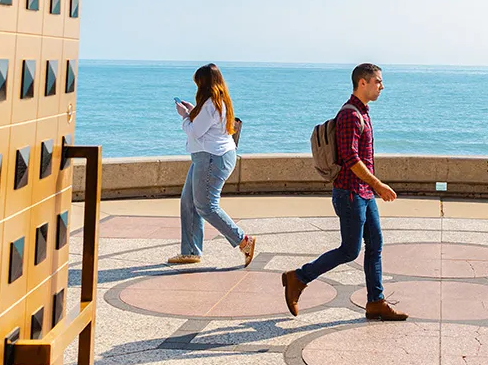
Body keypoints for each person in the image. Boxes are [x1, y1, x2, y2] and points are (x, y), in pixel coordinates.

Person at [282, 63, 408, 321]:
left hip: (363, 193)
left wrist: (372, 189)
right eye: (378, 81)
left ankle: (376, 302)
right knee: (349, 250)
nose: (381, 86)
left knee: (375, 244)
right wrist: (378, 185)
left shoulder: (364, 113)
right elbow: (351, 158)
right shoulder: (350, 115)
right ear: (363, 82)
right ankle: (299, 277)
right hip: (350, 193)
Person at [168, 64, 256, 266]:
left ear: (204, 84)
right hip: (208, 157)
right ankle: (190, 251)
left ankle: (243, 240)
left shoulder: (210, 105)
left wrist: (183, 116)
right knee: (188, 202)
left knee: (206, 206)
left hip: (211, 158)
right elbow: (204, 126)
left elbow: (194, 131)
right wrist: (192, 112)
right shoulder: (216, 102)